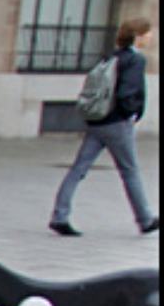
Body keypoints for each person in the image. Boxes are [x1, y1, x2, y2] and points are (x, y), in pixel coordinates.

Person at [50, 18, 158, 236]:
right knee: (130, 171)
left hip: (98, 121)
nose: (151, 37)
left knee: (78, 169)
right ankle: (145, 219)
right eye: (148, 33)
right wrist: (131, 114)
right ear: (138, 36)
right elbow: (126, 93)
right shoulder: (136, 60)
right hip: (117, 123)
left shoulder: (111, 56)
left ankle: (59, 215)